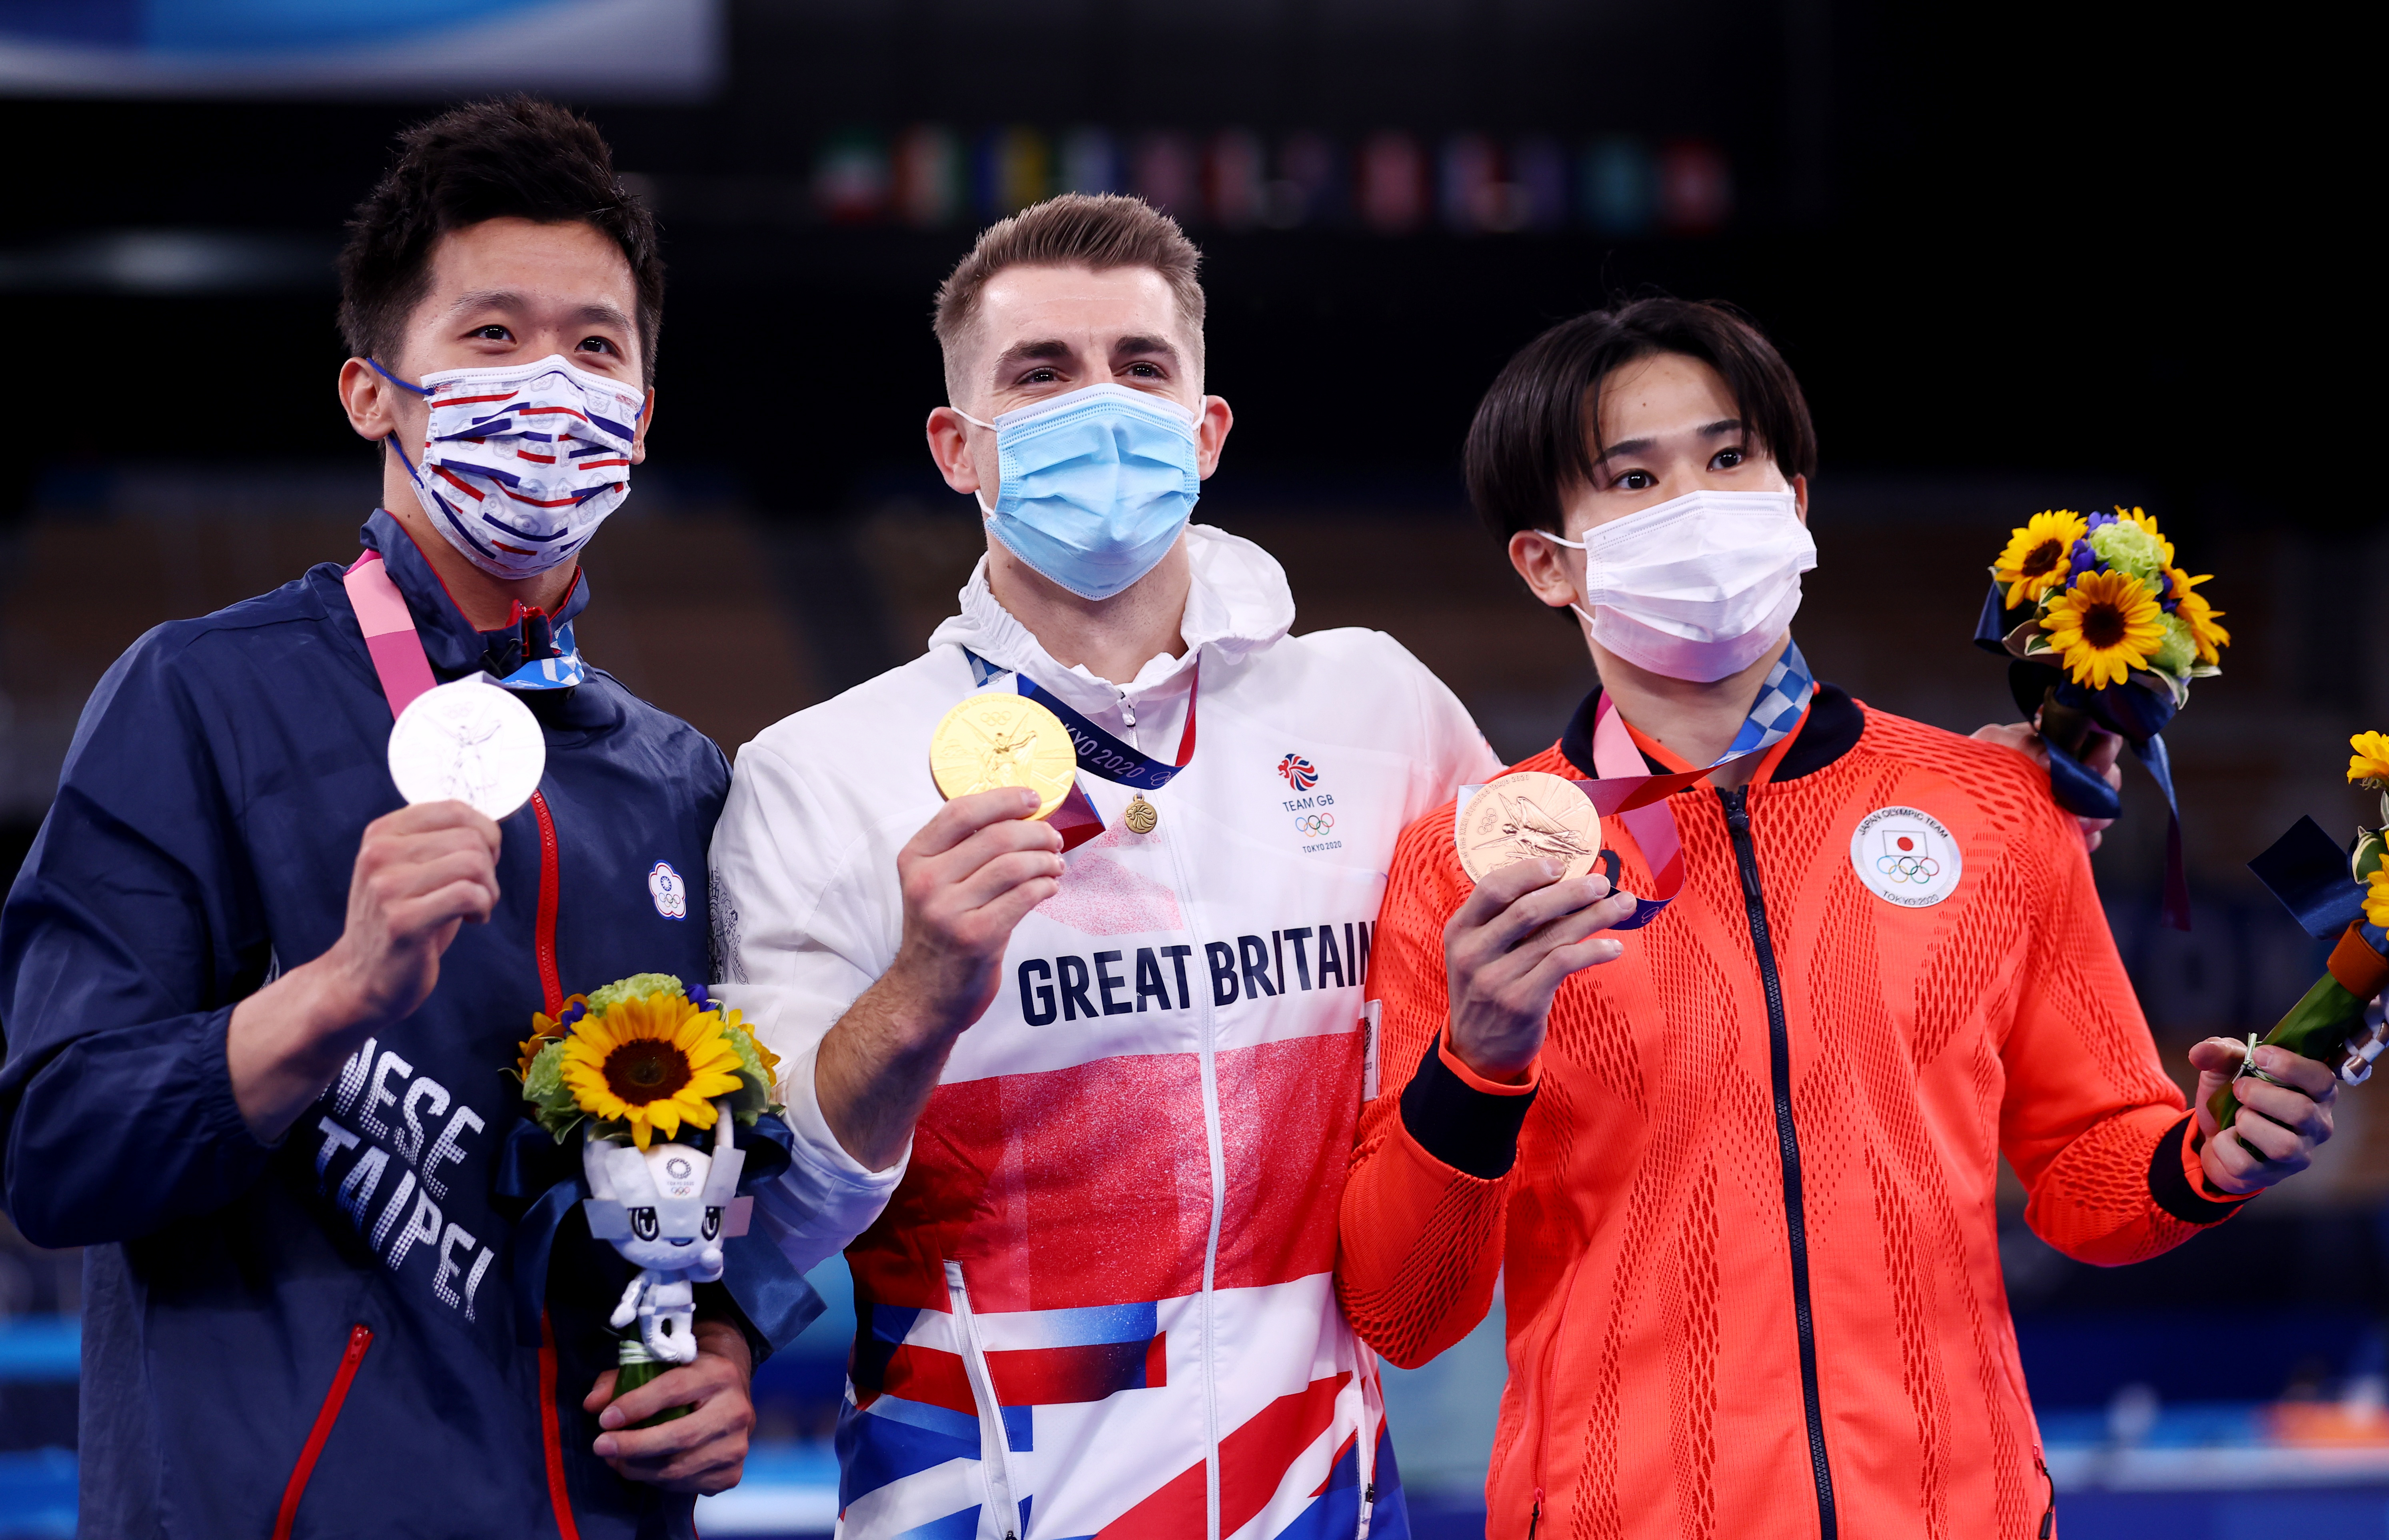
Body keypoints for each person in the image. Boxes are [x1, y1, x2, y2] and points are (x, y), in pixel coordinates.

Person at [0, 98, 886, 1538]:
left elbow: (722, 1189)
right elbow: (55, 1143)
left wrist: (726, 1339)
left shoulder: (678, 780)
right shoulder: (197, 699)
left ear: (643, 420)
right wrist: (336, 993)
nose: (550, 385)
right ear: (372, 393)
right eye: (491, 335)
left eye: (595, 347)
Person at [1333, 298, 2339, 1540]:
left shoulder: (1991, 806)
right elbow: (1405, 1307)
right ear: (1547, 562)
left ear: (1793, 502)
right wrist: (1474, 1063)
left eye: (1727, 457)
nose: (1698, 503)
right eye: (1634, 478)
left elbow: (2087, 1175)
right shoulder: (1471, 865)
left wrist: (2203, 1155)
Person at [708, 193, 1502, 1539]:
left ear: (1207, 430)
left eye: (1141, 366)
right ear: (959, 449)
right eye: (1043, 371)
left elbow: (1581, 987)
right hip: (980, 1504)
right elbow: (762, 1221)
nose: (1102, 402)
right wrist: (921, 989)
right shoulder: (817, 772)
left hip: (1322, 1503)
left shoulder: (1382, 713)